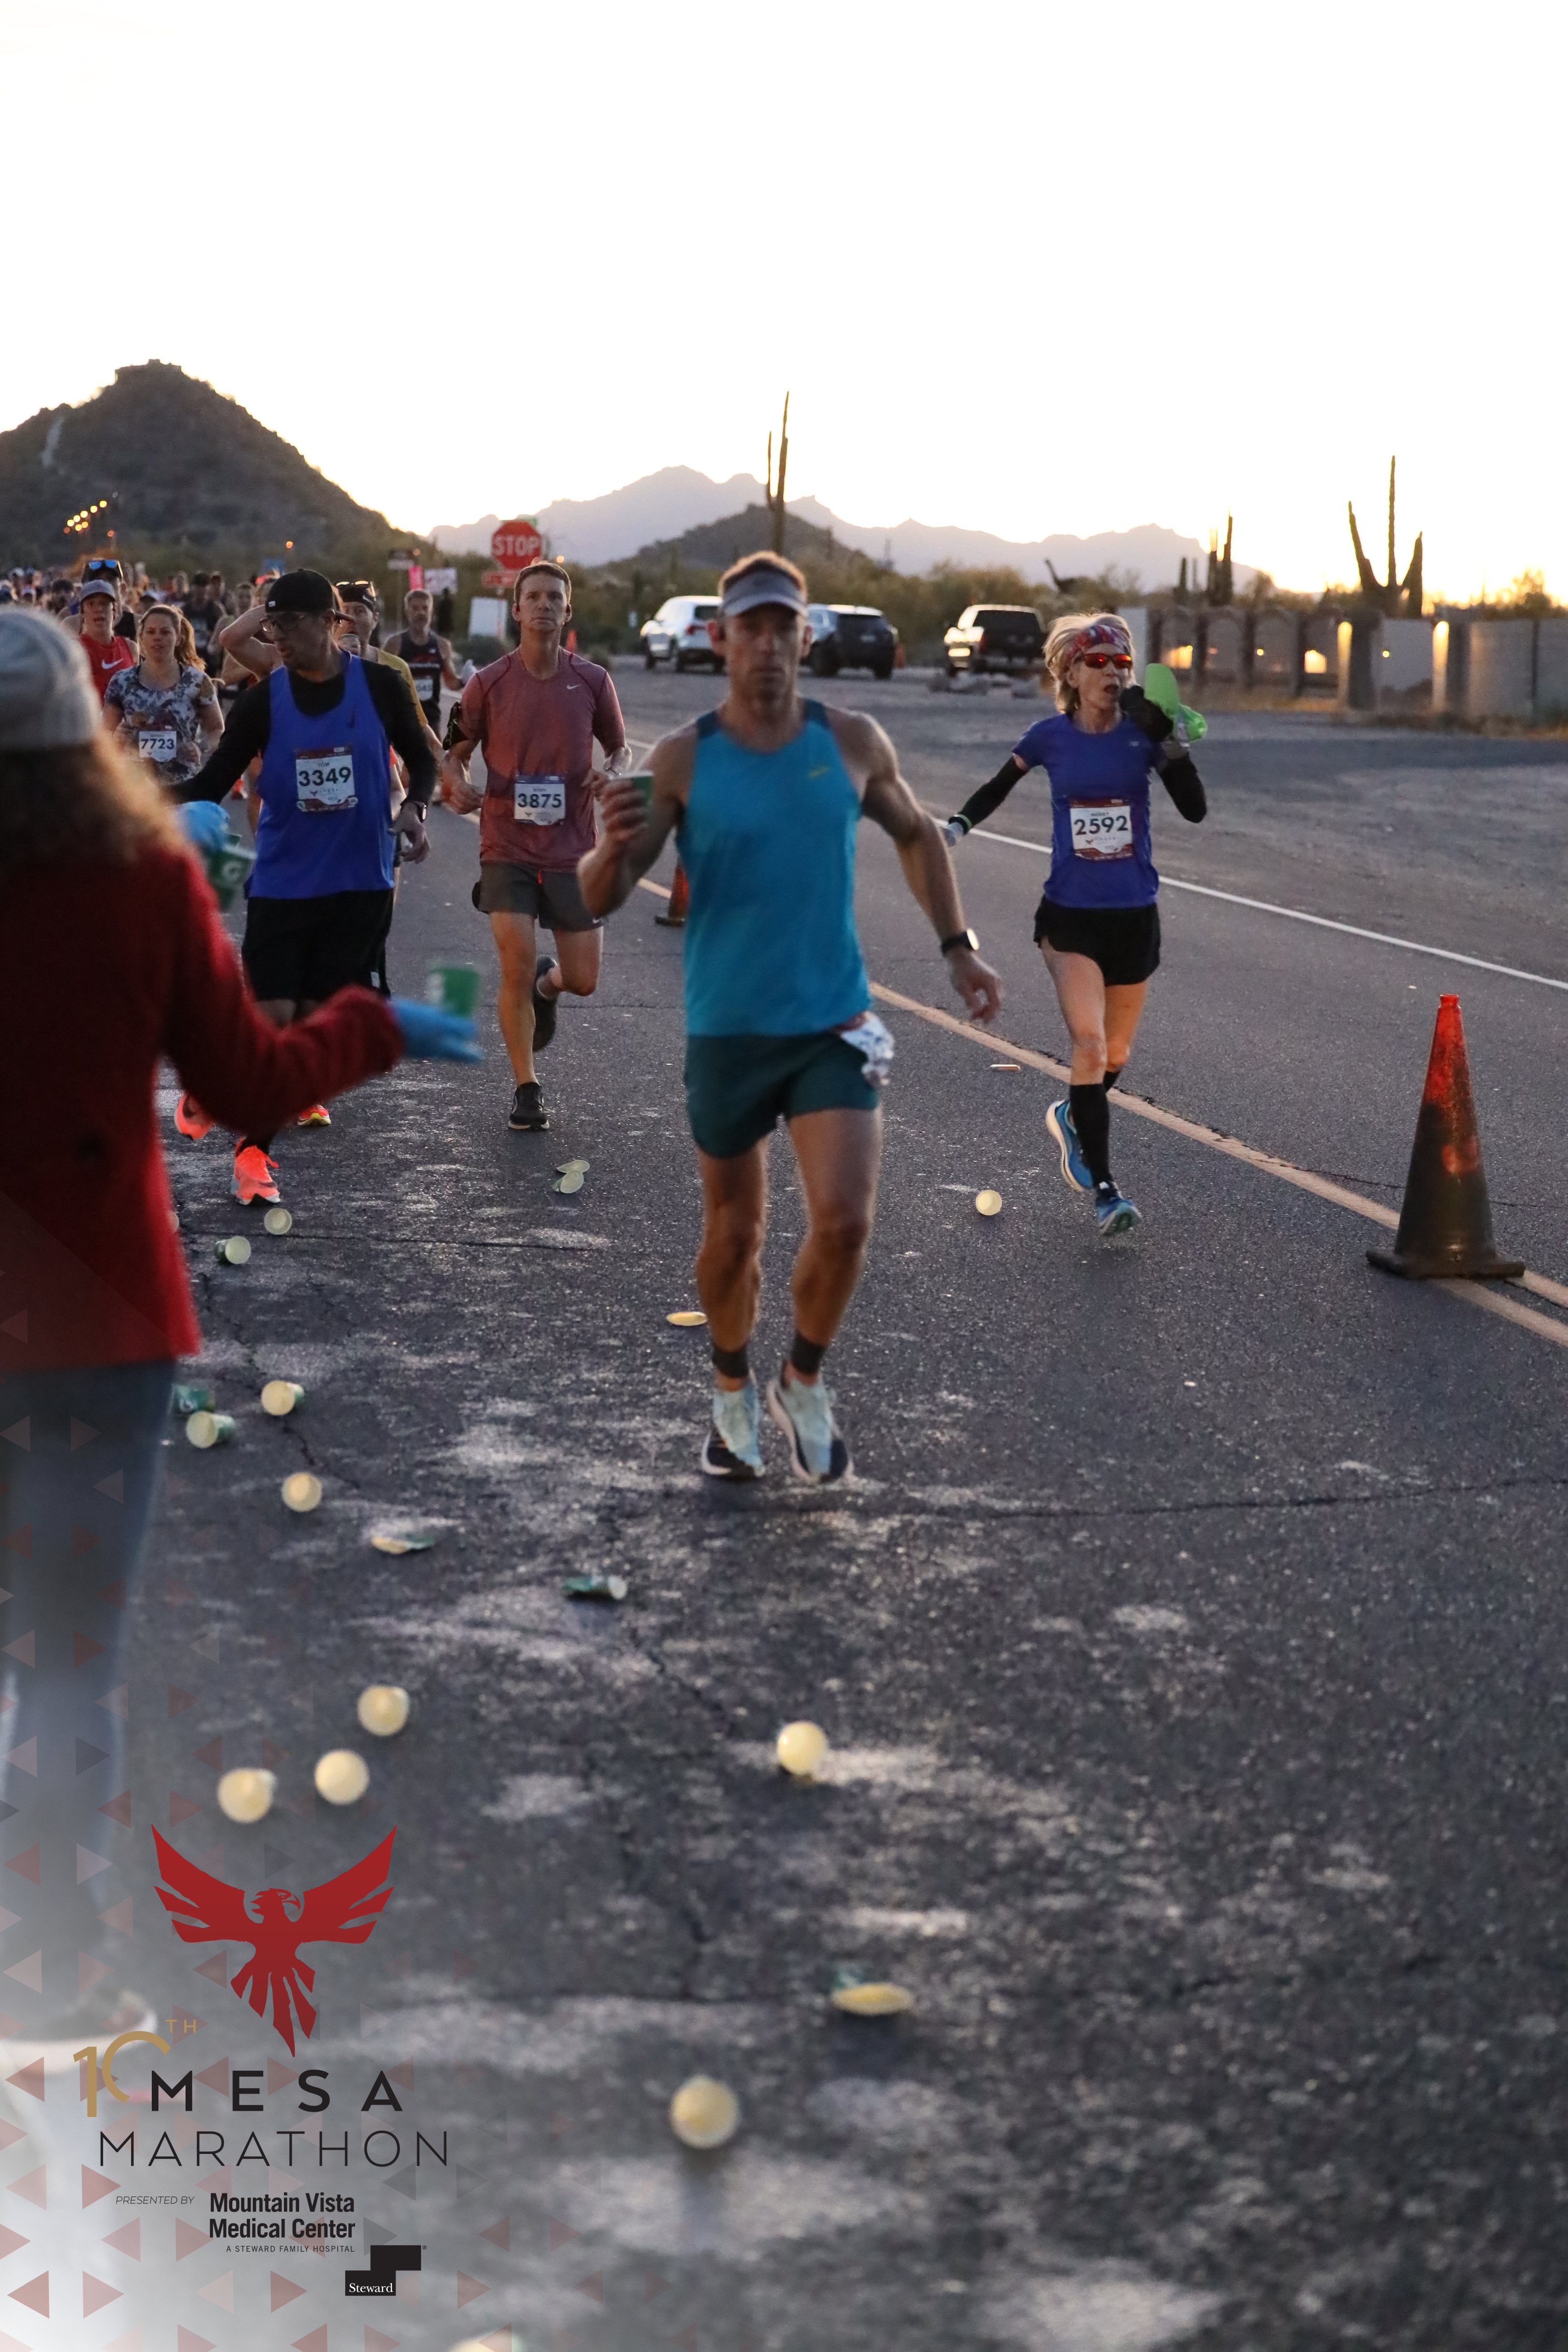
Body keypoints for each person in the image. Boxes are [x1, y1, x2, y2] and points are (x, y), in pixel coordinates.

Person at [0, 609, 476, 2052]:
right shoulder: (146, 880)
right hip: (100, 1327)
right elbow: (252, 1088)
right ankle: (50, 1968)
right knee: (68, 1657)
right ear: (85, 734)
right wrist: (378, 1025)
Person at [581, 551, 1002, 1484]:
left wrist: (957, 944)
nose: (768, 646)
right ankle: (731, 1390)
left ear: (805, 639)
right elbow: (601, 895)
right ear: (721, 638)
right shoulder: (682, 757)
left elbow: (918, 834)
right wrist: (608, 850)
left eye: (784, 629)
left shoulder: (850, 741)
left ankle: (801, 1380)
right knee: (734, 1234)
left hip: (830, 1024)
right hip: (727, 1029)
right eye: (751, 629)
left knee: (845, 1220)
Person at [944, 612, 1208, 1237]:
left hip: (1135, 917)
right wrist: (956, 826)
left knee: (1116, 1053)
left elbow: (1195, 810)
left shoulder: (1143, 736)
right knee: (1089, 1045)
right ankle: (1107, 1192)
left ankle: (1072, 1114)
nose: (1113, 672)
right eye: (1099, 663)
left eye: (1122, 663)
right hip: (1069, 917)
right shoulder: (1048, 737)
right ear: (1072, 673)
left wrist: (1173, 744)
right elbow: (997, 786)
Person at [178, 570, 437, 1199]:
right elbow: (213, 780)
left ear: (329, 621)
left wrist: (414, 807)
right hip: (284, 882)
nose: (278, 639)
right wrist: (126, 798)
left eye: (289, 624)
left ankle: (246, 1133)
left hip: (359, 884)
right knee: (275, 1020)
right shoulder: (265, 701)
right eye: (271, 627)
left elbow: (423, 757)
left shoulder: (380, 686)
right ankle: (242, 1131)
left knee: (311, 1027)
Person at [443, 560, 625, 1132]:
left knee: (584, 979)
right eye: (535, 597)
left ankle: (552, 985)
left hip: (574, 849)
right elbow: (453, 752)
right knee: (514, 965)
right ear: (517, 610)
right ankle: (527, 1088)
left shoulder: (593, 681)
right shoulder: (486, 683)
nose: (544, 605)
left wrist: (613, 773)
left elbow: (619, 749)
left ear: (568, 610)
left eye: (554, 597)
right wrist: (456, 783)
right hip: (506, 843)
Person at [103, 601, 223, 786]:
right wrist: (115, 738)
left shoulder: (197, 682)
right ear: (141, 637)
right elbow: (104, 734)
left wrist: (200, 748)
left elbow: (217, 730)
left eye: (165, 632)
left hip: (183, 784)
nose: (157, 638)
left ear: (178, 638)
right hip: (135, 787)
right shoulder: (122, 681)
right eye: (151, 632)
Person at [385, 586, 463, 736]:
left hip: (431, 721)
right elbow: (380, 682)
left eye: (425, 608)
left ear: (431, 613)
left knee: (435, 751)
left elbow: (451, 683)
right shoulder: (394, 644)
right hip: (402, 722)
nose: (420, 613)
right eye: (415, 608)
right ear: (407, 612)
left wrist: (466, 679)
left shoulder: (442, 645)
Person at [70, 564, 136, 702]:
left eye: (104, 603)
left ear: (115, 609)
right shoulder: (74, 650)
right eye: (91, 604)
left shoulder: (131, 648)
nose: (98, 609)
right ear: (82, 612)